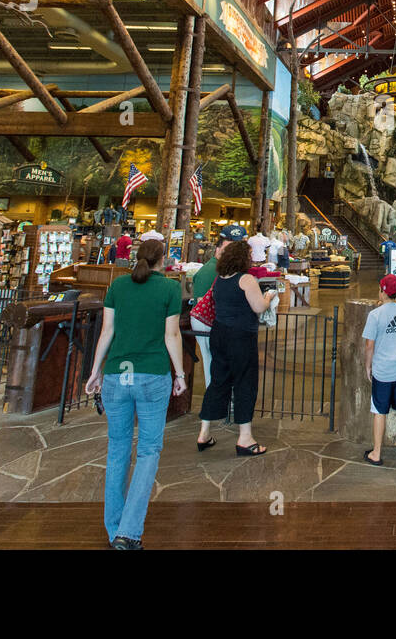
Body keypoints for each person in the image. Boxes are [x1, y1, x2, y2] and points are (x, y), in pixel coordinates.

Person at [85, 238, 185, 550]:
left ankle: (114, 527)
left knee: (117, 449)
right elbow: (171, 334)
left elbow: (107, 331)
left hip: (117, 373)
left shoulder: (118, 287)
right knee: (149, 450)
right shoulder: (170, 288)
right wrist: (180, 373)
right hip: (152, 373)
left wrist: (95, 371)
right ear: (163, 260)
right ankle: (129, 532)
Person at [198, 236, 279, 456]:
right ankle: (245, 438)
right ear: (243, 258)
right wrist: (269, 296)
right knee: (245, 382)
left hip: (219, 333)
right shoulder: (246, 280)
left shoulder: (221, 278)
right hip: (241, 336)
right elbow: (258, 307)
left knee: (218, 381)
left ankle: (204, 432)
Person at [362, 274, 396, 466]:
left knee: (379, 409)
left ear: (383, 291)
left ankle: (376, 453)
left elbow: (370, 345)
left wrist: (368, 366)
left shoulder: (375, 315)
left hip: (383, 371)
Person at [190, 225, 240, 396]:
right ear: (218, 249)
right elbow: (202, 302)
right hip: (208, 323)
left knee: (218, 361)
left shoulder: (224, 269)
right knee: (212, 361)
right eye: (228, 248)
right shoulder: (210, 270)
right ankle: (217, 399)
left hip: (218, 324)